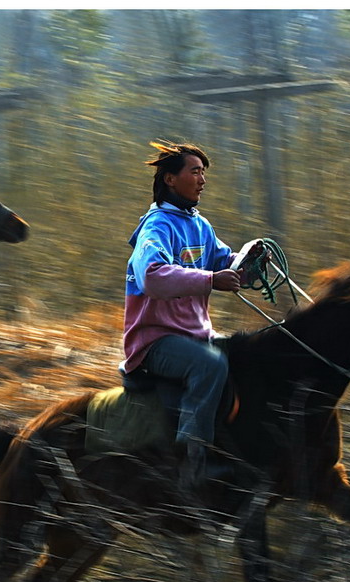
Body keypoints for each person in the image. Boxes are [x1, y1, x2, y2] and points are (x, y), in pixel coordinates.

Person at [122, 140, 246, 496]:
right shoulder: (156, 228)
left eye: (204, 172)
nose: (202, 180)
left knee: (246, 353)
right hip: (155, 341)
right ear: (171, 179)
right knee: (210, 366)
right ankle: (192, 459)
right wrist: (211, 279)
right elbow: (153, 276)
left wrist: (249, 264)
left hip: (194, 335)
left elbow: (226, 263)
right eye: (195, 171)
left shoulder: (200, 225)